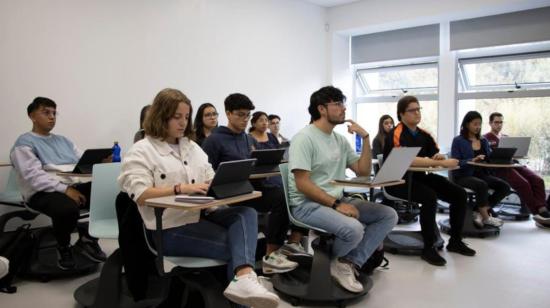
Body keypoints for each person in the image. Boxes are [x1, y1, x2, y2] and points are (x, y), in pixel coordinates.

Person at [118, 88, 279, 308]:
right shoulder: (141, 150)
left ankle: (243, 279)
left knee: (246, 213)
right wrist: (180, 188)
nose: (183, 122)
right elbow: (142, 194)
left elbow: (211, 178)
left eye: (186, 117)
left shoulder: (192, 147)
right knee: (241, 247)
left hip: (203, 216)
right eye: (177, 117)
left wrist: (225, 185)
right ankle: (244, 285)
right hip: (169, 228)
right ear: (160, 115)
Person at [288, 86, 397, 293]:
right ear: (321, 109)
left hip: (334, 199)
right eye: (337, 104)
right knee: (354, 229)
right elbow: (302, 183)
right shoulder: (304, 138)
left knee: (388, 215)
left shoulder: (339, 140)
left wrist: (365, 138)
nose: (343, 109)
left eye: (342, 103)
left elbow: (363, 170)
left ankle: (347, 262)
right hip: (306, 205)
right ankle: (335, 260)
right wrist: (338, 205)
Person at [202, 93, 306, 274]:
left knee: (289, 193)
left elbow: (251, 165)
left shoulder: (248, 139)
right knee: (279, 196)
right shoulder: (214, 140)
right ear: (228, 113)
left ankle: (276, 250)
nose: (245, 120)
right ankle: (271, 255)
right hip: (227, 194)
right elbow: (204, 173)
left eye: (248, 115)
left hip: (251, 188)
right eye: (240, 114)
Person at [10, 97, 106, 270]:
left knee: (112, 193)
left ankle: (88, 239)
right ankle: (63, 246)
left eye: (54, 113)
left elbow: (82, 160)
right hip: (42, 192)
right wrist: (65, 189)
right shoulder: (23, 144)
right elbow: (34, 178)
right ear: (32, 115)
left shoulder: (64, 141)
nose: (52, 117)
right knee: (67, 209)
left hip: (72, 186)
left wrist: (100, 163)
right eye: (46, 112)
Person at [383, 96, 475, 266]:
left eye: (419, 109)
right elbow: (408, 160)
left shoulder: (425, 135)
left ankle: (455, 241)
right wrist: (439, 162)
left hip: (419, 178)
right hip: (396, 182)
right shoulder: (396, 134)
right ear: (401, 114)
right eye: (412, 110)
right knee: (429, 197)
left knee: (459, 194)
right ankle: (428, 248)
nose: (417, 113)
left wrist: (438, 157)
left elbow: (435, 154)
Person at [484, 112, 550, 226]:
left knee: (538, 180)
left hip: (513, 163)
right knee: (524, 184)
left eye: (501, 122)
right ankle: (538, 214)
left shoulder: (505, 137)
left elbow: (515, 154)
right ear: (490, 123)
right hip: (499, 168)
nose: (499, 125)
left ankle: (542, 208)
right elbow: (488, 157)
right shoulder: (485, 138)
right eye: (496, 122)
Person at [451, 111, 508, 228]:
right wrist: (472, 160)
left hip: (481, 174)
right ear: (467, 124)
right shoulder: (458, 140)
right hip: (463, 175)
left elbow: (489, 158)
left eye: (480, 124)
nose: (478, 127)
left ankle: (478, 210)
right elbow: (455, 161)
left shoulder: (483, 141)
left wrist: (501, 157)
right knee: (482, 185)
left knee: (504, 187)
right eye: (475, 124)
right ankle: (486, 217)